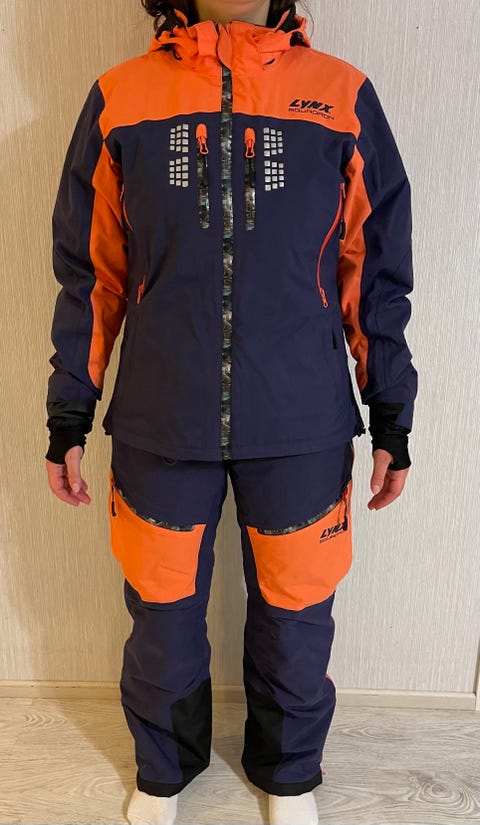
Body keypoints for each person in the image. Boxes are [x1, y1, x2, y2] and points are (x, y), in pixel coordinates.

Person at [44, 0, 418, 823]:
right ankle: (165, 770)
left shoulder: (341, 95)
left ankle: (288, 775)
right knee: (163, 618)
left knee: (296, 615)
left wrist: (391, 408)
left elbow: (375, 271)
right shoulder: (121, 97)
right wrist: (69, 409)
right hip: (161, 418)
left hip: (302, 421)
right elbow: (91, 274)